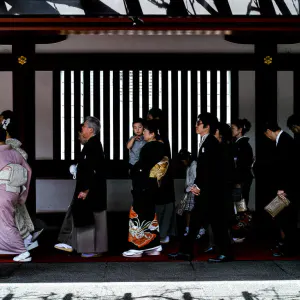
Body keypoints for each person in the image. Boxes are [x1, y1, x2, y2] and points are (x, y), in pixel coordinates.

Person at [169, 113, 232, 262]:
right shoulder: (206, 141)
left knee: (217, 224)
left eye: (199, 122)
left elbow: (211, 170)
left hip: (211, 193)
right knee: (198, 222)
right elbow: (203, 170)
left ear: (207, 126)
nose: (196, 125)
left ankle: (225, 252)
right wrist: (197, 185)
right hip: (205, 191)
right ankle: (186, 251)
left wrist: (199, 186)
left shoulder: (211, 143)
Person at [55, 117, 108, 258]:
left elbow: (92, 170)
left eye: (84, 126)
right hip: (93, 188)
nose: (82, 128)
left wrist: (85, 190)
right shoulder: (93, 144)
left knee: (88, 217)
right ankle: (91, 247)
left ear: (91, 129)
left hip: (90, 189)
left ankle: (87, 247)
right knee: (90, 217)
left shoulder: (93, 145)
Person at [123, 120, 167, 258]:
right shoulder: (161, 146)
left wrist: (134, 172)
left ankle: (137, 247)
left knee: (138, 214)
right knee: (150, 215)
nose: (144, 134)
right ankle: (153, 246)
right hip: (153, 185)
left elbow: (141, 167)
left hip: (143, 185)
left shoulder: (149, 147)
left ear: (152, 133)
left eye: (146, 132)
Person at [5, 121, 43, 251]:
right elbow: (28, 170)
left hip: (7, 187)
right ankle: (26, 237)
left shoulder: (11, 150)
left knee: (11, 215)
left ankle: (24, 239)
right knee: (15, 214)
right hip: (14, 188)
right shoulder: (16, 151)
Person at [262, 120, 298, 257]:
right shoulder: (284, 139)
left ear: (269, 131)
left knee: (287, 218)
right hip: (288, 187)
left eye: (266, 134)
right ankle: (288, 246)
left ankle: (289, 248)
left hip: (288, 188)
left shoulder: (285, 141)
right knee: (284, 218)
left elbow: (287, 168)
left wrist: (282, 188)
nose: (267, 137)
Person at [0, 127, 32, 262]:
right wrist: (23, 195)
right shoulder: (15, 153)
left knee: (6, 223)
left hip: (2, 191)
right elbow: (28, 171)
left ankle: (22, 251)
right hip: (13, 191)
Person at [176, 149, 205, 239]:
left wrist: (192, 188)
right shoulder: (189, 166)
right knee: (187, 211)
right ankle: (188, 228)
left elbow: (195, 179)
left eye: (183, 161)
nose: (183, 163)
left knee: (193, 211)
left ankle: (200, 229)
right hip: (189, 190)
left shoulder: (194, 165)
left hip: (193, 190)